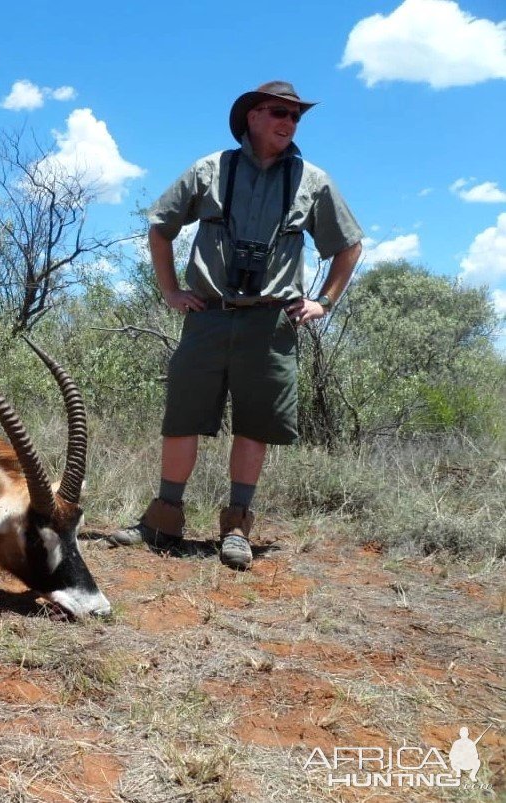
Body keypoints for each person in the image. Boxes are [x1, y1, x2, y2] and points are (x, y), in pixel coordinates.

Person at [111, 81, 363, 570]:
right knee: (183, 418)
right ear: (252, 116)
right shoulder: (210, 170)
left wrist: (323, 302)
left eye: (295, 116)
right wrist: (170, 291)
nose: (288, 122)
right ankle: (162, 521)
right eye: (278, 112)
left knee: (255, 426)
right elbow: (161, 227)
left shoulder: (314, 181)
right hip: (207, 316)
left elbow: (349, 245)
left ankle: (237, 529)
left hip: (271, 325)